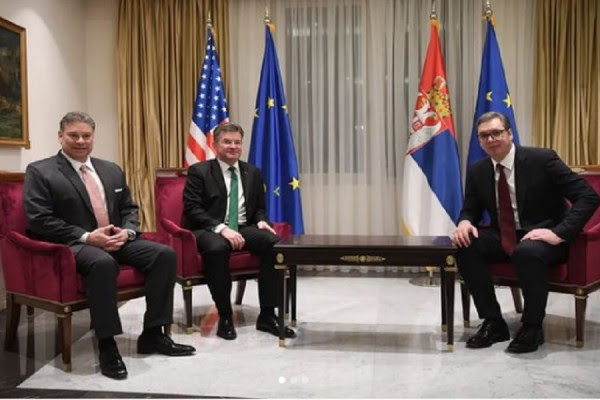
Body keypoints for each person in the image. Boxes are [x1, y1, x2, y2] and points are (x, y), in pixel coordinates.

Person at [23, 111, 195, 380]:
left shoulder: (111, 169)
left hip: (116, 239)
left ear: (93, 137)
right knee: (103, 263)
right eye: (73, 135)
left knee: (164, 255)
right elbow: (39, 219)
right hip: (72, 244)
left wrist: (127, 232)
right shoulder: (40, 171)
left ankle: (153, 334)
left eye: (86, 135)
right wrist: (87, 237)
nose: (81, 141)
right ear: (60, 136)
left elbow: (129, 208)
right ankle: (107, 345)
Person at [452, 111, 599, 353]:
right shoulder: (478, 170)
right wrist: (465, 222)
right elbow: (470, 209)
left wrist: (559, 233)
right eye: (484, 136)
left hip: (546, 237)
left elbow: (588, 197)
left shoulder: (542, 159)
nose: (491, 139)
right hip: (506, 235)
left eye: (496, 132)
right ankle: (493, 322)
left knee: (527, 252)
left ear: (509, 134)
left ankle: (532, 326)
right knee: (466, 246)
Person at [183, 122, 296, 340]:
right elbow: (192, 209)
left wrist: (261, 221)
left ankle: (267, 315)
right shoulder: (200, 171)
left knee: (274, 244)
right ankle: (225, 316)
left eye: (237, 142)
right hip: (208, 227)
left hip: (243, 226)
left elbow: (259, 208)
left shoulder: (252, 172)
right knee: (217, 248)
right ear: (215, 144)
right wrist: (222, 228)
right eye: (227, 142)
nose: (233, 147)